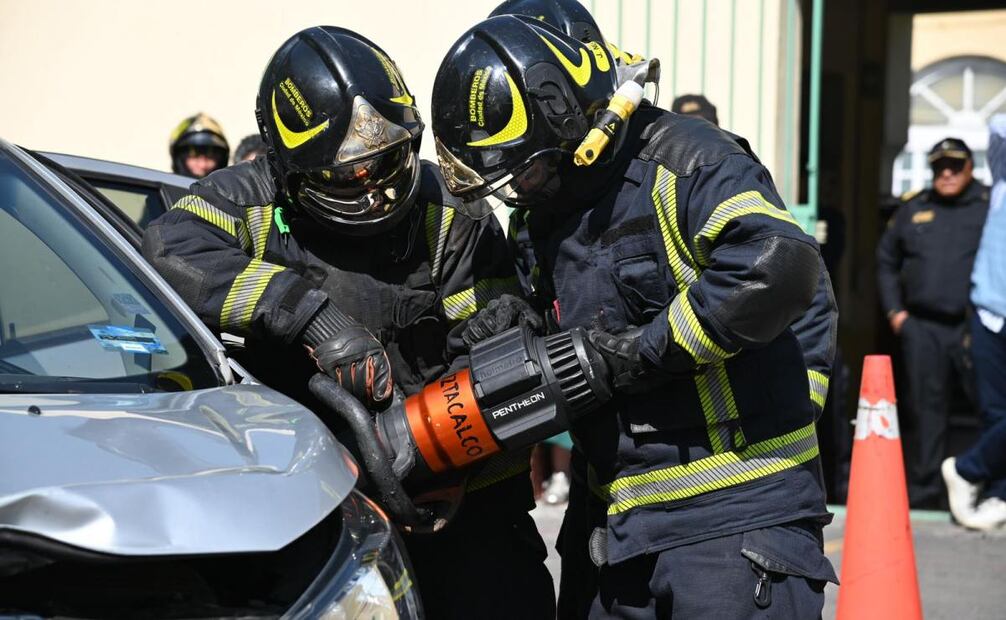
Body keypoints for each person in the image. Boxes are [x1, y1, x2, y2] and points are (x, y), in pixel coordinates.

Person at [431, 15, 838, 618]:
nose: (517, 188)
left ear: (568, 119)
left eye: (526, 167)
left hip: (731, 524)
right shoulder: (544, 213)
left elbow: (778, 268)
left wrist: (640, 353)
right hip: (612, 529)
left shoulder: (689, 161)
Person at [142, 26, 553, 619]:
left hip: (466, 518)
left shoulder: (452, 213)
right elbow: (168, 253)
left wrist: (447, 463)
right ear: (289, 168)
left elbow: (500, 353)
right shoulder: (247, 202)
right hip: (312, 512)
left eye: (385, 164)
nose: (376, 193)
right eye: (347, 177)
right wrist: (308, 315)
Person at [877, 137, 989, 508]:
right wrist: (897, 314)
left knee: (987, 407)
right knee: (927, 410)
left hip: (974, 326)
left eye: (955, 166)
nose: (947, 173)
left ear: (970, 168)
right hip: (922, 327)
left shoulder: (989, 206)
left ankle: (986, 485)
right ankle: (926, 493)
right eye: (940, 166)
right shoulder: (914, 209)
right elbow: (886, 261)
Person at [942, 116, 1006, 530]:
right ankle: (999, 492)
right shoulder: (1002, 174)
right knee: (996, 413)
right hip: (991, 312)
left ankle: (967, 470)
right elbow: (999, 124)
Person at [168, 113, 230, 178]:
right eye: (193, 154)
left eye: (211, 155)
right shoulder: (160, 186)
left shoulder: (232, 187)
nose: (202, 165)